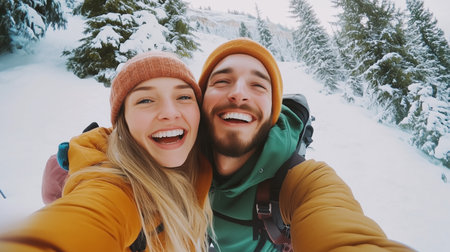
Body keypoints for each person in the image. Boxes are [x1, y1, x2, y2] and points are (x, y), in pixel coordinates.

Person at [40, 38, 412, 251]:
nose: (238, 93)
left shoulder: (302, 183)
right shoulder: (161, 167)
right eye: (221, 81)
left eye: (258, 85)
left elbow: (345, 232)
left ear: (271, 111)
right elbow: (92, 214)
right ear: (202, 106)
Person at [0, 51, 213, 251]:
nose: (170, 112)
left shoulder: (204, 168)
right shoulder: (114, 190)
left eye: (184, 97)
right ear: (123, 123)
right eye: (145, 100)